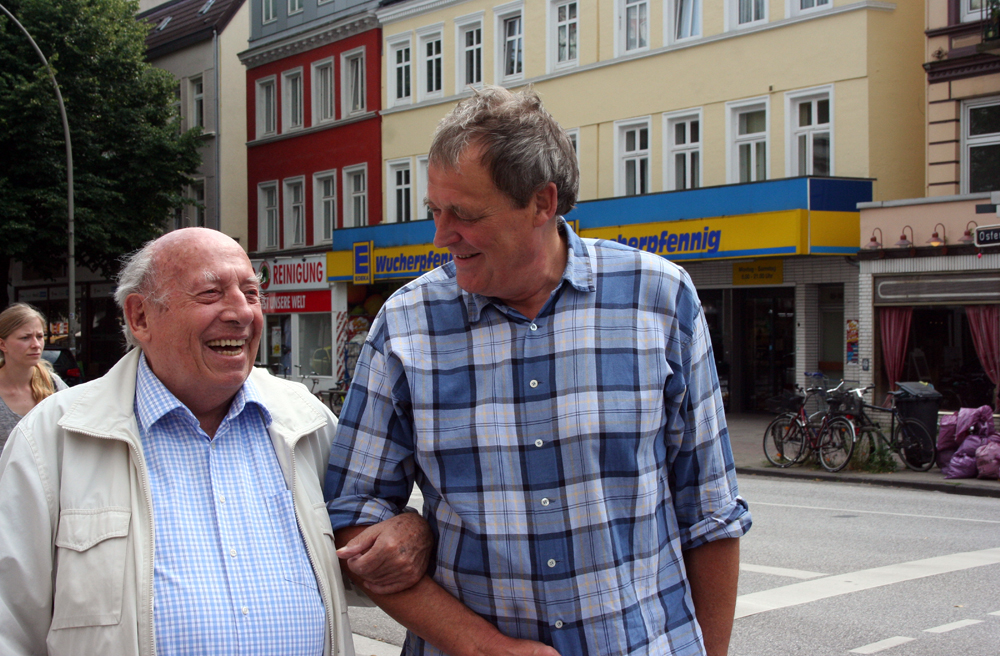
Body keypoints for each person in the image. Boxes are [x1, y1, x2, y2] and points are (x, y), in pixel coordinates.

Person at [326, 86, 751, 656]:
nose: (441, 236)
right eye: (435, 211)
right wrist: (482, 646)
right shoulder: (407, 324)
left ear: (542, 202)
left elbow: (711, 514)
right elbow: (352, 516)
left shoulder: (659, 299)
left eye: (464, 214)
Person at [0, 227, 431, 656]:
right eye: (210, 293)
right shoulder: (55, 438)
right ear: (140, 317)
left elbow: (359, 556)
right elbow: (10, 624)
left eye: (252, 293)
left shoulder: (305, 421)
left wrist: (412, 530)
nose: (242, 312)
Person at [0, 303, 67, 450]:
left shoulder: (53, 383)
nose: (36, 345)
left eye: (40, 336)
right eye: (25, 338)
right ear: (2, 344)